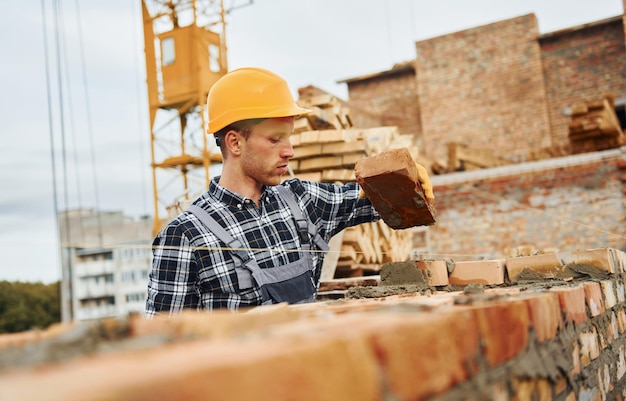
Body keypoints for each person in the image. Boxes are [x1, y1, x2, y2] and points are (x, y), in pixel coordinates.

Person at [145, 67, 433, 316]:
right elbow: (161, 350)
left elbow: (376, 198)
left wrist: (409, 177)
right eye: (275, 139)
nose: (290, 151)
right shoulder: (185, 237)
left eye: (289, 138)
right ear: (234, 143)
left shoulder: (302, 203)